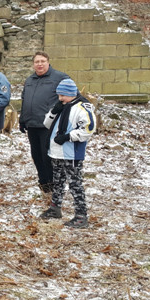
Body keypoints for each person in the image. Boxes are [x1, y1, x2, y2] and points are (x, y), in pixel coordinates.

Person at [39, 78, 96, 229]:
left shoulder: (82, 107)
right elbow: (46, 124)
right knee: (57, 181)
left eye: (62, 95)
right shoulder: (62, 106)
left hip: (71, 153)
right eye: (58, 95)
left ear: (70, 94)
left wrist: (68, 137)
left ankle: (81, 215)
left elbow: (88, 129)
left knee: (75, 184)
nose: (60, 99)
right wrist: (53, 112)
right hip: (56, 152)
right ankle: (55, 208)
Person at [19, 51, 71, 198]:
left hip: (49, 126)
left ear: (48, 62)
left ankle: (54, 185)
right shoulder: (30, 80)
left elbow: (71, 98)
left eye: (42, 61)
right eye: (37, 62)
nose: (40, 64)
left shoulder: (60, 78)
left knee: (47, 156)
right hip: (32, 124)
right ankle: (44, 183)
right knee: (36, 155)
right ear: (33, 64)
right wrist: (22, 119)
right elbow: (25, 100)